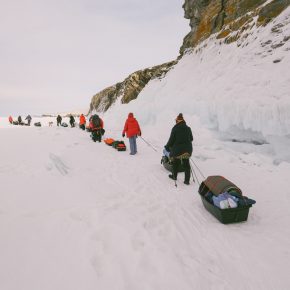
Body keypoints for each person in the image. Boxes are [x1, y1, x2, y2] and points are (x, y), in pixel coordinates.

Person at [164, 113, 193, 185]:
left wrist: (167, 147)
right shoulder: (188, 128)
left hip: (178, 151)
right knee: (186, 164)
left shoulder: (175, 128)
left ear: (177, 121)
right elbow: (191, 139)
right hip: (188, 150)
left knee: (175, 162)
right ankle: (187, 181)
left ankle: (174, 176)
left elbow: (171, 140)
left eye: (176, 120)